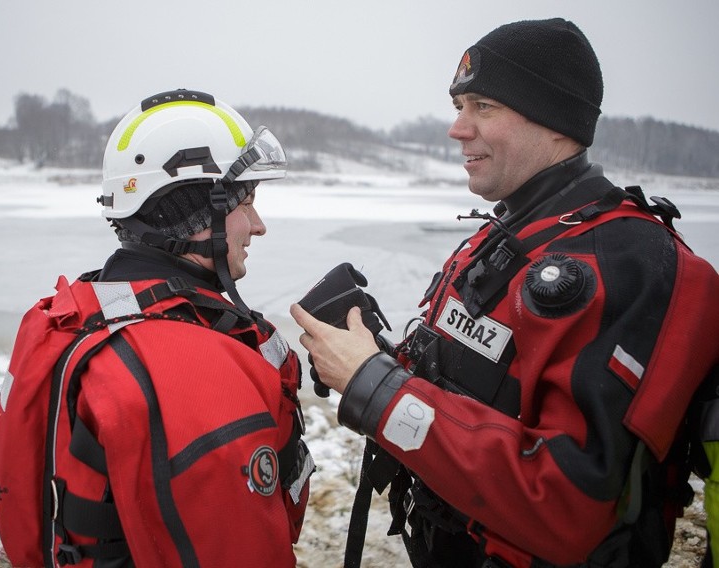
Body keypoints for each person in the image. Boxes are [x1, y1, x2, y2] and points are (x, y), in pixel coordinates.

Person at [291, 18, 719, 568]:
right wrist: (375, 358)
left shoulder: (628, 262)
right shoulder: (514, 234)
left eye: (482, 107)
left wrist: (373, 386)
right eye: (458, 107)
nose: (457, 129)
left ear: (556, 120)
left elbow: (569, 507)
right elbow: (472, 387)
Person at [0, 89, 313, 567]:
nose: (258, 225)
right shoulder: (190, 370)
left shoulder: (84, 314)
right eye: (245, 203)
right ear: (194, 215)